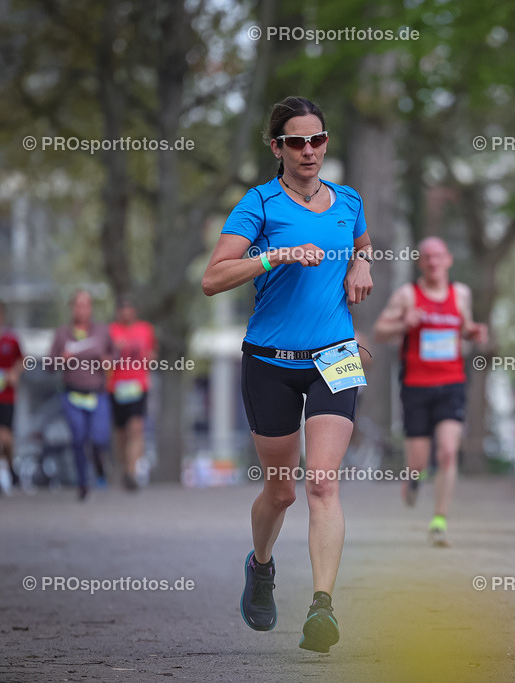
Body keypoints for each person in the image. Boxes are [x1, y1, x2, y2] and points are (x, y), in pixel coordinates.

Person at [202, 96, 374, 653]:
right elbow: (213, 278)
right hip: (269, 363)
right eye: (295, 141)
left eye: (317, 140)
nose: (308, 150)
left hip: (336, 356)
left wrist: (362, 262)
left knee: (322, 481)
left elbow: (362, 241)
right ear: (276, 147)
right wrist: (274, 257)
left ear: (327, 143)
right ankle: (262, 565)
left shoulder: (348, 201)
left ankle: (322, 607)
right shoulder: (258, 204)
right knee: (282, 492)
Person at [373, 237, 488, 547]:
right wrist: (403, 323)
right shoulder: (408, 295)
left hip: (451, 383)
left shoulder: (460, 293)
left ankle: (439, 520)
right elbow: (380, 330)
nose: (433, 262)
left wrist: (474, 332)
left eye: (438, 256)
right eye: (426, 257)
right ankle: (413, 478)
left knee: (449, 452)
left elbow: (464, 327)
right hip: (416, 386)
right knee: (419, 462)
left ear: (448, 260)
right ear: (420, 262)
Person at [49, 289, 114, 500]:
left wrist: (109, 362)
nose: (82, 309)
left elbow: (115, 356)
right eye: (78, 305)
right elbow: (49, 364)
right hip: (72, 394)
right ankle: (83, 482)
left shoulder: (102, 332)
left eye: (86, 305)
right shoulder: (62, 334)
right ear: (72, 308)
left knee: (99, 438)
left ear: (91, 308)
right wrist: (62, 359)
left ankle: (98, 461)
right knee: (78, 438)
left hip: (98, 393)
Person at [107, 297, 156, 491]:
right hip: (116, 386)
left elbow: (152, 352)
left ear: (134, 311)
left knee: (136, 428)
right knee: (121, 433)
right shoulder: (110, 332)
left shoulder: (145, 329)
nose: (126, 312)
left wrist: (151, 360)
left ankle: (131, 472)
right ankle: (124, 468)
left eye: (129, 308)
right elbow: (103, 358)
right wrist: (114, 351)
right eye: (122, 309)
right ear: (118, 312)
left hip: (138, 385)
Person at [0, 299, 24, 494]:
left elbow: (22, 360)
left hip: (5, 396)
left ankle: (11, 466)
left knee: (5, 439)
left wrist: (14, 373)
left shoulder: (11, 340)